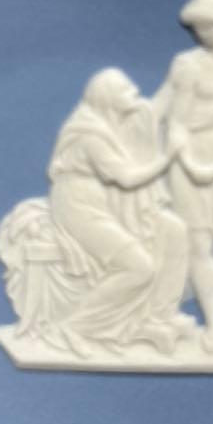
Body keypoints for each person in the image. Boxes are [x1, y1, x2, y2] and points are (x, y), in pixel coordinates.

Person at [45, 68, 192, 356]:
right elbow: (126, 178)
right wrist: (168, 157)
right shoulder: (90, 134)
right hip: (80, 207)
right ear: (108, 99)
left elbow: (153, 108)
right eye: (126, 91)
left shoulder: (112, 122)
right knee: (139, 267)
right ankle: (76, 328)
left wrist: (177, 79)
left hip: (108, 204)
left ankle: (157, 317)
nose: (135, 93)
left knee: (174, 231)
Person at [154, 0, 213, 352]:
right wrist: (190, 161)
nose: (201, 34)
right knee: (200, 244)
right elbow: (169, 116)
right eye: (197, 28)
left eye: (208, 26)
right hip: (189, 159)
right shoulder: (186, 64)